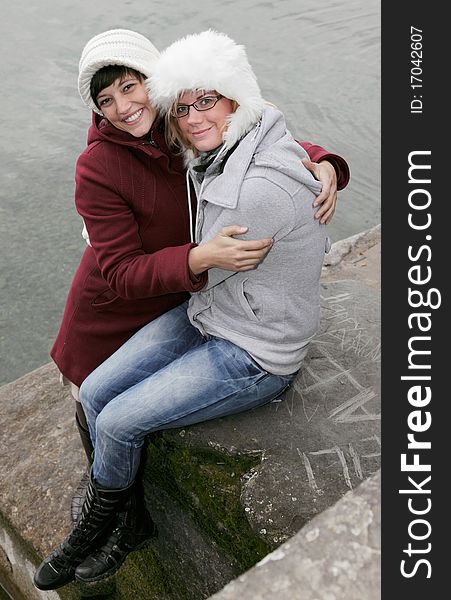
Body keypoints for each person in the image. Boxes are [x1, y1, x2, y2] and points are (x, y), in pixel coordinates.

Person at [34, 29, 347, 591]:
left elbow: (262, 129)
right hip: (120, 300)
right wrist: (203, 254)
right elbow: (124, 270)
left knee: (119, 418)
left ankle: (110, 524)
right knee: (96, 400)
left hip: (204, 300)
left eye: (132, 88)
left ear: (158, 82)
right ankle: (121, 520)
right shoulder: (104, 163)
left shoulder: (182, 121)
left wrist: (324, 166)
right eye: (106, 100)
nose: (125, 107)